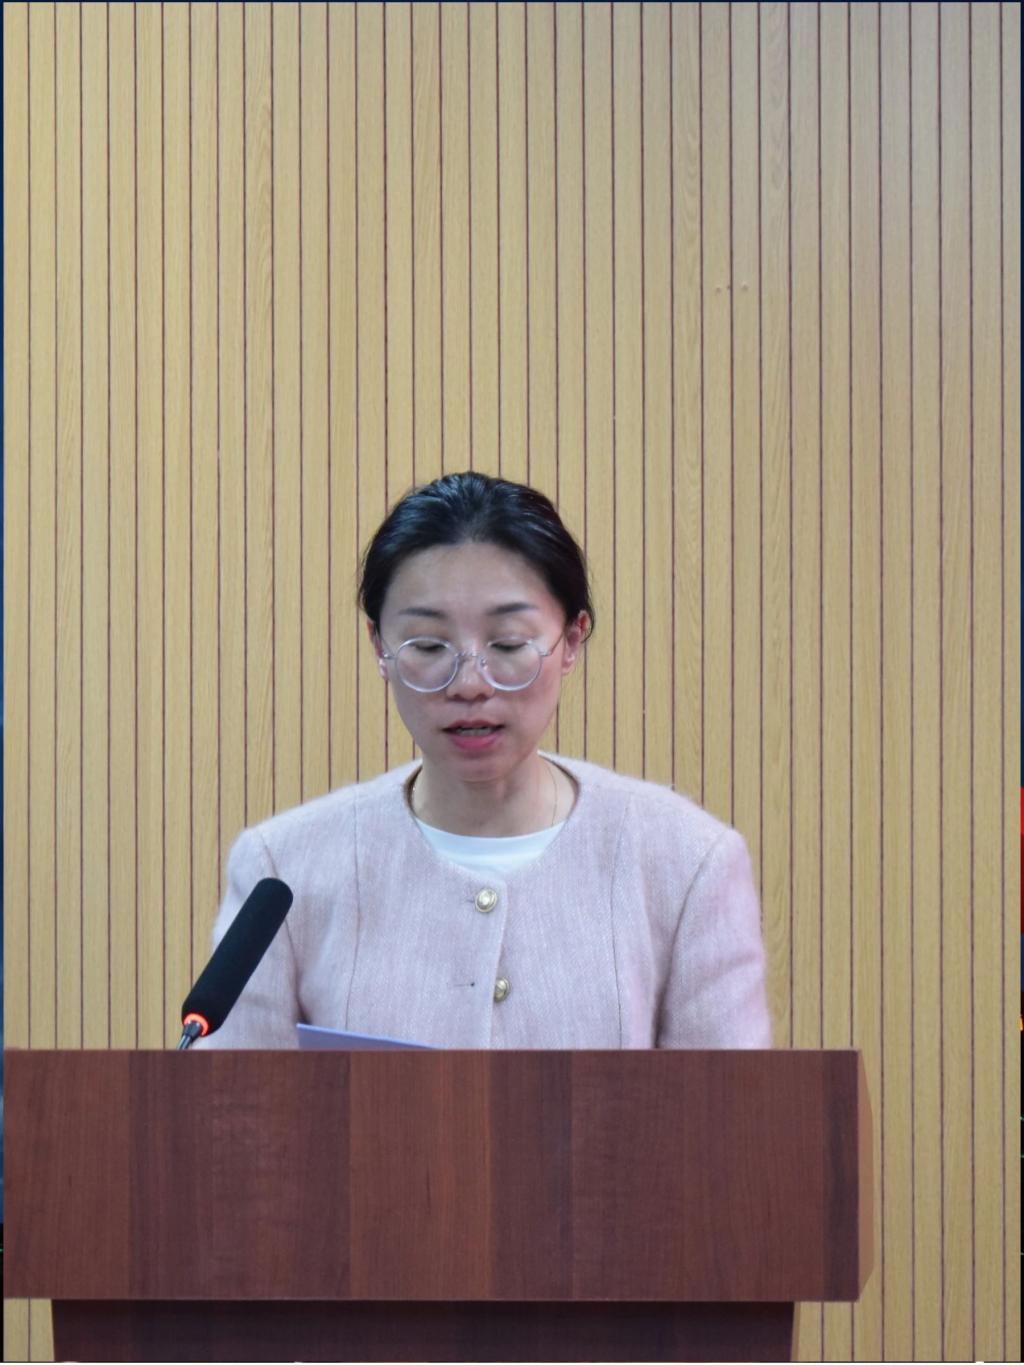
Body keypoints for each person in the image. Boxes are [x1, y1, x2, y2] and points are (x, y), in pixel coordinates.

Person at [196, 471, 771, 1049]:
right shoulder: (284, 868)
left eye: (509, 644)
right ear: (379, 646)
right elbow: (235, 1100)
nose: (470, 684)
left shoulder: (686, 862)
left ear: (572, 640)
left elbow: (727, 1102)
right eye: (427, 646)